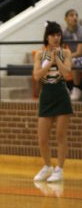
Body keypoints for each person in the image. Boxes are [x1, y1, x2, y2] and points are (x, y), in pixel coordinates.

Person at [32, 21, 73, 183]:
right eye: (53, 35)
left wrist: (57, 59)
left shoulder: (66, 53)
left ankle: (59, 169)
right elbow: (37, 76)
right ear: (47, 37)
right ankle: (47, 166)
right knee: (42, 138)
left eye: (58, 35)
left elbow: (66, 73)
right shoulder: (40, 55)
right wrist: (49, 62)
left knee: (60, 136)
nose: (56, 38)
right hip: (46, 95)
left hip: (61, 94)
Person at [62, 8, 82, 101]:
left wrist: (66, 57)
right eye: (71, 15)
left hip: (79, 56)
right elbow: (59, 49)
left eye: (76, 15)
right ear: (65, 19)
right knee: (55, 61)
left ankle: (77, 88)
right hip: (74, 56)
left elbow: (79, 53)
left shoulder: (80, 31)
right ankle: (61, 88)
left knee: (73, 61)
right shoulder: (63, 32)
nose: (75, 17)